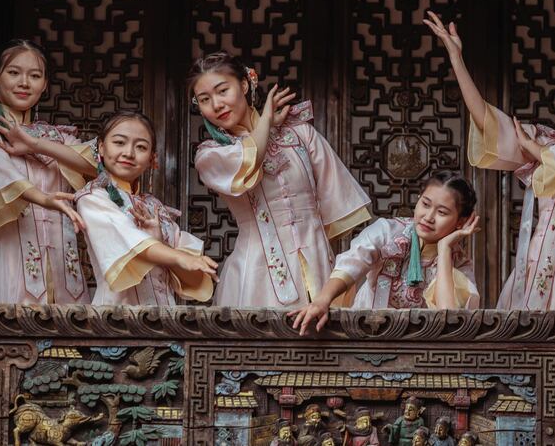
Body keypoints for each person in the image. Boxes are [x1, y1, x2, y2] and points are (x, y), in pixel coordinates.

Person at [424, 11, 555, 310]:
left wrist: (535, 150)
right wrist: (456, 58)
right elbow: (488, 121)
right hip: (534, 265)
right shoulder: (553, 142)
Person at [188, 51, 372, 307]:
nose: (216, 104)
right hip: (255, 274)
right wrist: (266, 121)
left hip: (317, 265)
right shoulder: (212, 154)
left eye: (222, 91)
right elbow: (249, 159)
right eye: (204, 99)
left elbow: (334, 202)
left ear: (244, 84)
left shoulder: (300, 134)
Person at [291, 171, 480, 335]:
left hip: (422, 347)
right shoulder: (388, 232)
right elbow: (353, 262)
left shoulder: (459, 263)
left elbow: (449, 319)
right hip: (369, 334)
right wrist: (322, 300)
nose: (428, 217)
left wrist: (445, 249)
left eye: (442, 212)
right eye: (425, 204)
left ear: (461, 222)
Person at [0, 39, 95, 304]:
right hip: (9, 256)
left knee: (70, 339)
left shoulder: (60, 138)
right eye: (14, 72)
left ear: (44, 85)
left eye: (35, 76)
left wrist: (35, 144)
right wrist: (45, 199)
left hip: (64, 263)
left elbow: (96, 166)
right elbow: (10, 182)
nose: (24, 83)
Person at [75, 112, 217, 305]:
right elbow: (133, 245)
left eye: (141, 147)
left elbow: (194, 279)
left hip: (164, 324)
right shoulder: (93, 198)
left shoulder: (156, 208)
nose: (128, 153)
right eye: (119, 143)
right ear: (100, 147)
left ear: (152, 159)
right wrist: (178, 256)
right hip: (118, 320)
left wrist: (166, 247)